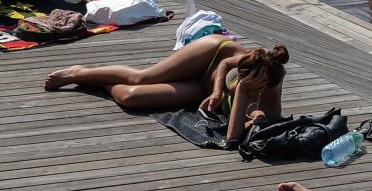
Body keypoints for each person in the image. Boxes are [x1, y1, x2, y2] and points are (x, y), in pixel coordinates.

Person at [45, 36, 285, 146]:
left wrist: (241, 91)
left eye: (245, 82)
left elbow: (233, 138)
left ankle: (98, 82)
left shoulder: (270, 84)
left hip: (199, 88)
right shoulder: (254, 60)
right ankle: (79, 73)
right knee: (142, 77)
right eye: (241, 79)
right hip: (210, 55)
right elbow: (225, 63)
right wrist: (218, 91)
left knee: (131, 97)